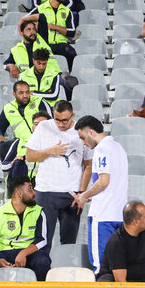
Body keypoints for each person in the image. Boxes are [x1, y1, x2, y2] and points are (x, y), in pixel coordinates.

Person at [24, 100, 91, 251]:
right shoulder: (43, 126)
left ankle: (66, 273)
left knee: (69, 243)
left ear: (72, 116)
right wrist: (49, 151)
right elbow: (29, 156)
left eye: (65, 120)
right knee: (42, 242)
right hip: (46, 192)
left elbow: (88, 165)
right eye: (57, 120)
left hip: (72, 194)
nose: (60, 124)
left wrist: (81, 193)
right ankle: (43, 273)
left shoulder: (81, 132)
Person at [73, 115, 129, 273]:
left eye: (82, 138)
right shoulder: (119, 148)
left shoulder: (101, 149)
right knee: (118, 265)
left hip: (103, 216)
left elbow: (103, 182)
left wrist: (83, 196)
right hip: (120, 215)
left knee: (101, 266)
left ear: (91, 132)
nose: (83, 143)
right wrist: (92, 193)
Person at [0, 175, 51, 282]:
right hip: (2, 254)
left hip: (28, 254)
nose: (34, 193)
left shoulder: (39, 212)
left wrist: (23, 253)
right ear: (19, 194)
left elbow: (42, 239)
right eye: (30, 189)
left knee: (42, 259)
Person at [0, 81, 52, 163]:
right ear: (14, 94)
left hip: (41, 142)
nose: (25, 96)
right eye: (21, 93)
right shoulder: (8, 108)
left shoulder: (39, 102)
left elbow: (52, 123)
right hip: (22, 145)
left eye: (27, 92)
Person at [22, 0, 76, 71]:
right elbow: (26, 20)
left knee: (71, 52)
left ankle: (70, 74)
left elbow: (72, 32)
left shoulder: (67, 11)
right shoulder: (40, 8)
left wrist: (55, 27)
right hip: (43, 44)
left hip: (60, 44)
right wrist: (37, 27)